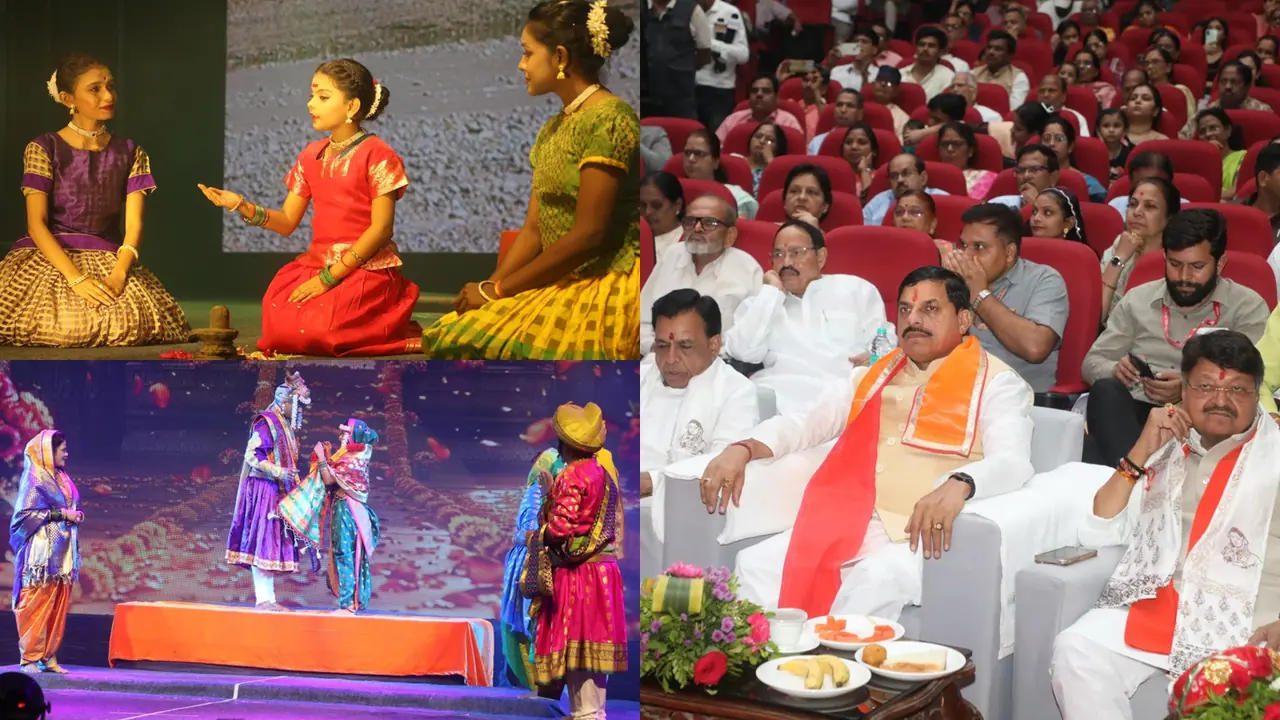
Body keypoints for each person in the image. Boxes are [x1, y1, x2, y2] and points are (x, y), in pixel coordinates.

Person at [702, 266, 1035, 620]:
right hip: (851, 514)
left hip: (923, 530)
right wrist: (744, 447)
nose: (914, 320)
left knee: (871, 580)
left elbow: (1013, 461)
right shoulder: (873, 375)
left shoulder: (996, 383)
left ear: (964, 319)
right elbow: (805, 423)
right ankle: (771, 672)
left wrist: (962, 483)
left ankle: (835, 672)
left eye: (930, 309)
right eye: (905, 309)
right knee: (755, 565)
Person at [1051, 331, 1280, 719]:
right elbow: (1098, 530)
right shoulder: (1166, 446)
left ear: (1256, 394)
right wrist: (1141, 450)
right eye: (1206, 386)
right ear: (1183, 390)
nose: (1221, 400)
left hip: (1249, 622)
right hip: (1158, 606)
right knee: (1076, 650)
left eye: (1238, 390)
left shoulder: (1273, 457)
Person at [420, 1, 640, 359]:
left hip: (601, 282)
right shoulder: (553, 128)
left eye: (527, 53)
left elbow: (589, 236)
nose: (521, 65)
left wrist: (499, 291)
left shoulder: (608, 119)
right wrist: (490, 289)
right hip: (562, 281)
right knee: (454, 333)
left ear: (561, 57)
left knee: (484, 348)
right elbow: (534, 230)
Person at [199, 59, 419, 356]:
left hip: (365, 268)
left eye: (323, 97)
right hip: (317, 263)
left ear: (352, 107)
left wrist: (329, 278)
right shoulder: (311, 155)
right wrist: (240, 205)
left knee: (321, 331)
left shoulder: (377, 154)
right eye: (312, 95)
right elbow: (288, 221)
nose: (310, 104)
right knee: (279, 324)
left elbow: (381, 230)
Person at [0, 54, 189, 348]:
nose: (108, 95)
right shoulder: (43, 147)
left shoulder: (129, 151)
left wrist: (118, 274)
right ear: (67, 98)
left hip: (108, 256)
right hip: (51, 254)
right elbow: (36, 225)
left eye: (110, 87)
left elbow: (134, 226)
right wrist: (76, 279)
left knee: (129, 326)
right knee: (69, 328)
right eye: (95, 89)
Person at [1082, 210, 1270, 468]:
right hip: (1136, 412)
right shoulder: (1138, 299)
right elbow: (1092, 361)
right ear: (1164, 258)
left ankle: (1130, 476)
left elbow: (1251, 379)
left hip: (1203, 418)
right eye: (1175, 264)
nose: (1184, 277)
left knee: (1095, 450)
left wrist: (1186, 387)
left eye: (1197, 267)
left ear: (1221, 263)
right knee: (1105, 391)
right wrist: (1114, 369)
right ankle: (1138, 478)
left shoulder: (1247, 307)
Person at [523, 402, 627, 719]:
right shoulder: (602, 473)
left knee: (578, 648)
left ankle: (585, 714)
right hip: (604, 571)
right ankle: (591, 712)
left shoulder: (573, 476)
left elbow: (560, 528)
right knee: (593, 650)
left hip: (579, 574)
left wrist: (535, 535)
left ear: (564, 444)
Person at [726, 221, 889, 414]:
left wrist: (875, 358)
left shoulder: (857, 290)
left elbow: (885, 343)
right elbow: (742, 352)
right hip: (777, 403)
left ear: (820, 257)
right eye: (778, 255)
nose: (786, 263)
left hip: (842, 402)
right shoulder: (761, 303)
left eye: (796, 252)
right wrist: (772, 293)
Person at [641, 290, 759, 550]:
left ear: (714, 345)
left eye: (685, 346)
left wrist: (650, 481)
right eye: (662, 345)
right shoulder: (640, 379)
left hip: (678, 514)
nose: (670, 359)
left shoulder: (736, 391)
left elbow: (723, 462)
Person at [946, 203, 1070, 393]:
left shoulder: (1044, 280)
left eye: (979, 247)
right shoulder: (954, 279)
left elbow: (1035, 347)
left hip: (1020, 402)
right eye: (963, 245)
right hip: (956, 393)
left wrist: (979, 295)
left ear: (1010, 252)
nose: (967, 255)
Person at [226, 371, 311, 610]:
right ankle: (263, 599)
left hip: (276, 489)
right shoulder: (267, 422)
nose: (299, 412)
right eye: (297, 405)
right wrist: (279, 472)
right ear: (286, 403)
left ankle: (269, 599)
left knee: (272, 541)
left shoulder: (283, 425)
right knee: (263, 539)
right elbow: (252, 455)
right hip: (263, 487)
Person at [279, 419, 381, 615]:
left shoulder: (355, 459)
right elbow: (331, 476)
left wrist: (322, 458)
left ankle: (348, 605)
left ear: (354, 436)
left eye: (345, 434)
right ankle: (347, 603)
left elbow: (328, 479)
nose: (341, 437)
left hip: (349, 510)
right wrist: (323, 458)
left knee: (345, 553)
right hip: (343, 507)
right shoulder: (349, 456)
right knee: (341, 553)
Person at [639, 194, 762, 355]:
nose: (697, 228)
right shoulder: (672, 255)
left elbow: (751, 338)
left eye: (709, 223)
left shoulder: (747, 269)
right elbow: (640, 320)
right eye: (690, 221)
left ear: (730, 235)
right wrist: (653, 347)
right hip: (658, 359)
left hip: (716, 366)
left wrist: (705, 358)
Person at [10, 431, 81, 675]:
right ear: (49, 452)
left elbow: (67, 506)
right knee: (36, 601)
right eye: (62, 449)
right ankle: (29, 658)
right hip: (40, 553)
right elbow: (24, 515)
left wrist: (73, 515)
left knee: (58, 601)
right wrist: (63, 515)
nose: (66, 453)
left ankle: (48, 656)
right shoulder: (35, 477)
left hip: (62, 551)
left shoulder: (61, 476)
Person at [501, 447, 564, 689]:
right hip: (532, 566)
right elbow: (527, 533)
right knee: (530, 624)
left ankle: (543, 687)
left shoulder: (549, 492)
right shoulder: (536, 492)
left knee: (538, 625)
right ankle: (536, 686)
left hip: (540, 562)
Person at [1101, 177, 1180, 321]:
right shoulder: (1120, 244)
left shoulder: (1179, 259)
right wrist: (1119, 258)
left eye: (1150, 206)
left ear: (1169, 217)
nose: (1137, 212)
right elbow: (1098, 315)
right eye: (1132, 204)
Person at [641, 0, 711, 120]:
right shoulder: (640, 8)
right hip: (645, 96)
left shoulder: (691, 9)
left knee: (682, 133)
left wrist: (681, 68)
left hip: (681, 97)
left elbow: (704, 53)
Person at [695, 0, 750, 134]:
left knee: (717, 139)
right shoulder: (684, 10)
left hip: (719, 89)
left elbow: (743, 55)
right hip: (686, 87)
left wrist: (709, 43)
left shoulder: (730, 13)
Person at [682, 129, 759, 219]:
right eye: (687, 153)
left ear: (715, 162)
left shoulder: (735, 196)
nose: (691, 159)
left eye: (699, 154)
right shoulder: (672, 191)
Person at [862, 154, 950, 226]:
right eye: (894, 176)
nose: (900, 180)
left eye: (907, 173)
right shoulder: (878, 202)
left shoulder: (942, 200)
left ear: (923, 178)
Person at [715, 75, 803, 143]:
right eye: (754, 91)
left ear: (776, 98)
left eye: (766, 91)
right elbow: (716, 149)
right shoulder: (733, 119)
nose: (759, 94)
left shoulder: (789, 122)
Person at [1040, 115, 1106, 201]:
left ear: (1070, 146)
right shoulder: (1032, 177)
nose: (1051, 143)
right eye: (1046, 139)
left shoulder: (1088, 184)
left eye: (1059, 139)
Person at [1193, 108, 1247, 201]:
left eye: (1213, 128)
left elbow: (1237, 192)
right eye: (1202, 131)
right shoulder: (1196, 164)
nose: (1208, 134)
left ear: (1228, 131)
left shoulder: (1244, 157)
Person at [988, 144, 1061, 209]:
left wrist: (1034, 205)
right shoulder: (998, 205)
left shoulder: (1063, 211)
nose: (1026, 176)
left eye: (1035, 169)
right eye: (1021, 170)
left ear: (1053, 177)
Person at [937, 122, 997, 199]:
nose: (950, 149)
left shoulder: (988, 178)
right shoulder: (929, 178)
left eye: (956, 144)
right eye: (945, 144)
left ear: (970, 151)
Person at [974, 30, 1030, 108]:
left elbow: (1014, 109)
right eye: (989, 47)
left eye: (998, 49)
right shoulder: (973, 73)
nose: (991, 52)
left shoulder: (1018, 77)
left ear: (1009, 55)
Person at [902, 26, 955, 101]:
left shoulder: (949, 78)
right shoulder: (901, 74)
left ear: (940, 51)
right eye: (921, 44)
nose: (925, 49)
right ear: (916, 48)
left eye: (931, 46)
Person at [640, 172, 685, 255]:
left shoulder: (686, 246)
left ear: (677, 205)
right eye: (643, 205)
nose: (648, 212)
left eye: (656, 205)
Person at [807, 88, 864, 154]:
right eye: (839, 105)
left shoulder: (866, 144)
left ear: (860, 114)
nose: (843, 110)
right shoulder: (817, 142)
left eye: (850, 106)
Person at [1097, 108, 1132, 184]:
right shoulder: (1094, 153)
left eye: (1116, 126)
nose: (1111, 130)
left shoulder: (1130, 154)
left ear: (1125, 131)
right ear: (1098, 131)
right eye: (1106, 126)